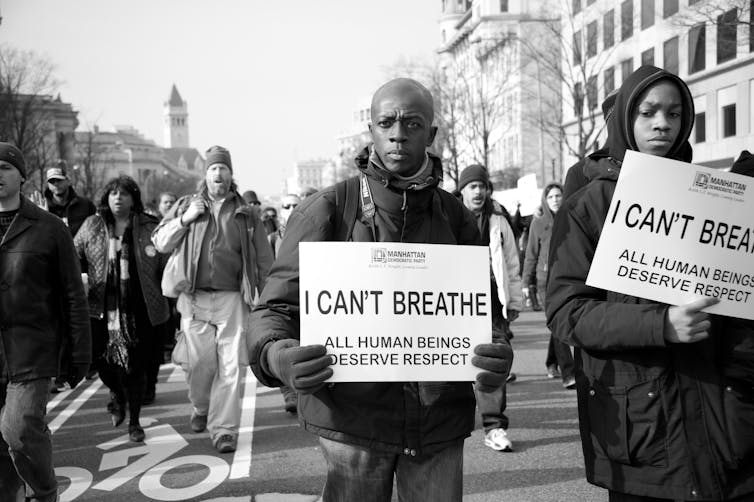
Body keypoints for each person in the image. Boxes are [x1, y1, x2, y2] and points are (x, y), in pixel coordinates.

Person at [247, 78, 512, 501]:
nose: (397, 133)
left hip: (437, 426)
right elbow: (273, 309)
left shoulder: (457, 218)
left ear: (432, 133)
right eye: (385, 121)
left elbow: (483, 311)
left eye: (412, 122)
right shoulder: (329, 210)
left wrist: (496, 348)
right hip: (352, 426)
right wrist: (278, 357)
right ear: (370, 130)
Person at [547, 65, 754, 500]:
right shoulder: (589, 206)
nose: (663, 123)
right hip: (642, 431)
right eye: (649, 112)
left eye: (675, 114)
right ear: (626, 118)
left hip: (725, 417)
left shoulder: (715, 199)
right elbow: (568, 312)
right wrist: (660, 324)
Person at [152, 145, 273, 454]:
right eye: (213, 168)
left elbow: (263, 259)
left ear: (231, 175)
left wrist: (268, 299)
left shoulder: (246, 212)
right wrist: (186, 219)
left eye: (223, 168)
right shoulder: (186, 205)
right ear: (204, 175)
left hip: (233, 298)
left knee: (231, 367)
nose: (218, 173)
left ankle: (224, 430)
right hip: (194, 298)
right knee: (198, 365)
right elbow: (160, 242)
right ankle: (201, 405)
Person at [0, 143, 91, 502]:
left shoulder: (49, 228)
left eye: (5, 167)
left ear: (22, 175)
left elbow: (72, 294)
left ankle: (44, 492)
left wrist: (80, 353)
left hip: (31, 349)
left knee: (19, 428)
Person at [74, 175, 169, 442]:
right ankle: (116, 393)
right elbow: (73, 255)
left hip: (142, 308)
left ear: (133, 199)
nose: (118, 197)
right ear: (106, 198)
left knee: (136, 367)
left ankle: (135, 423)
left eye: (124, 193)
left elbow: (166, 263)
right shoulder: (92, 225)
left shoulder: (149, 226)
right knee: (102, 363)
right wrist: (80, 278)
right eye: (113, 193)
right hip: (100, 309)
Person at [458, 164, 522, 452]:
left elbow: (511, 263)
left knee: (493, 362)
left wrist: (515, 301)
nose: (479, 191)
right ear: (461, 190)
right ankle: (446, 426)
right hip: (454, 304)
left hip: (492, 303)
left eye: (482, 185)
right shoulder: (447, 218)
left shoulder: (499, 222)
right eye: (472, 186)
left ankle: (494, 426)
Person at [522, 182, 575, 388]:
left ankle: (551, 362)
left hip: (567, 277)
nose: (555, 200)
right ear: (545, 199)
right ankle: (569, 373)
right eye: (551, 197)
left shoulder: (570, 216)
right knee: (558, 322)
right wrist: (526, 282)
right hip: (545, 280)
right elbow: (531, 254)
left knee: (557, 323)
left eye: (558, 196)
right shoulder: (538, 222)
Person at [268, 193, 300, 258]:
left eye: (295, 206)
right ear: (281, 212)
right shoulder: (272, 239)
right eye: (287, 206)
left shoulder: (311, 236)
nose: (291, 209)